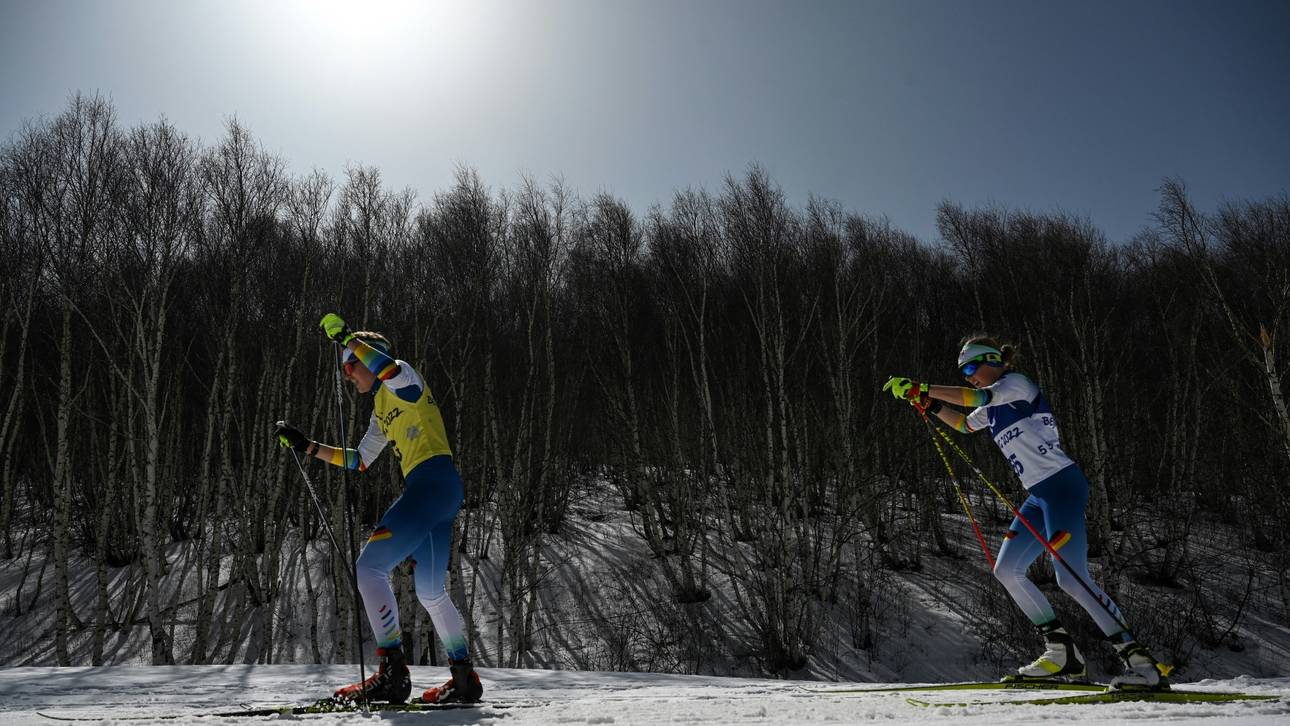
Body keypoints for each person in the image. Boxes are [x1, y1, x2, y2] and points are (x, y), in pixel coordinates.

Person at [883, 336, 1167, 689]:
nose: (969, 376)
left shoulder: (1015, 385)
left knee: (1070, 578)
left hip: (1062, 485)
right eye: (963, 372)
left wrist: (924, 387)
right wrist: (928, 405)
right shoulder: (993, 406)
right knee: (1007, 570)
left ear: (992, 361)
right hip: (1038, 496)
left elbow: (976, 397)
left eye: (972, 367)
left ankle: (1142, 664)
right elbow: (965, 425)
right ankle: (1061, 655)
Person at [275, 313, 483, 704]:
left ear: (364, 359)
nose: (348, 377)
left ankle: (392, 673)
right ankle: (464, 678)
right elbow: (359, 460)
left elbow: (385, 367)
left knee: (368, 568)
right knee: (431, 592)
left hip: (430, 485)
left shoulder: (405, 378)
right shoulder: (380, 412)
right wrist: (307, 446)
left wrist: (347, 339)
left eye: (350, 369)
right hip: (439, 492)